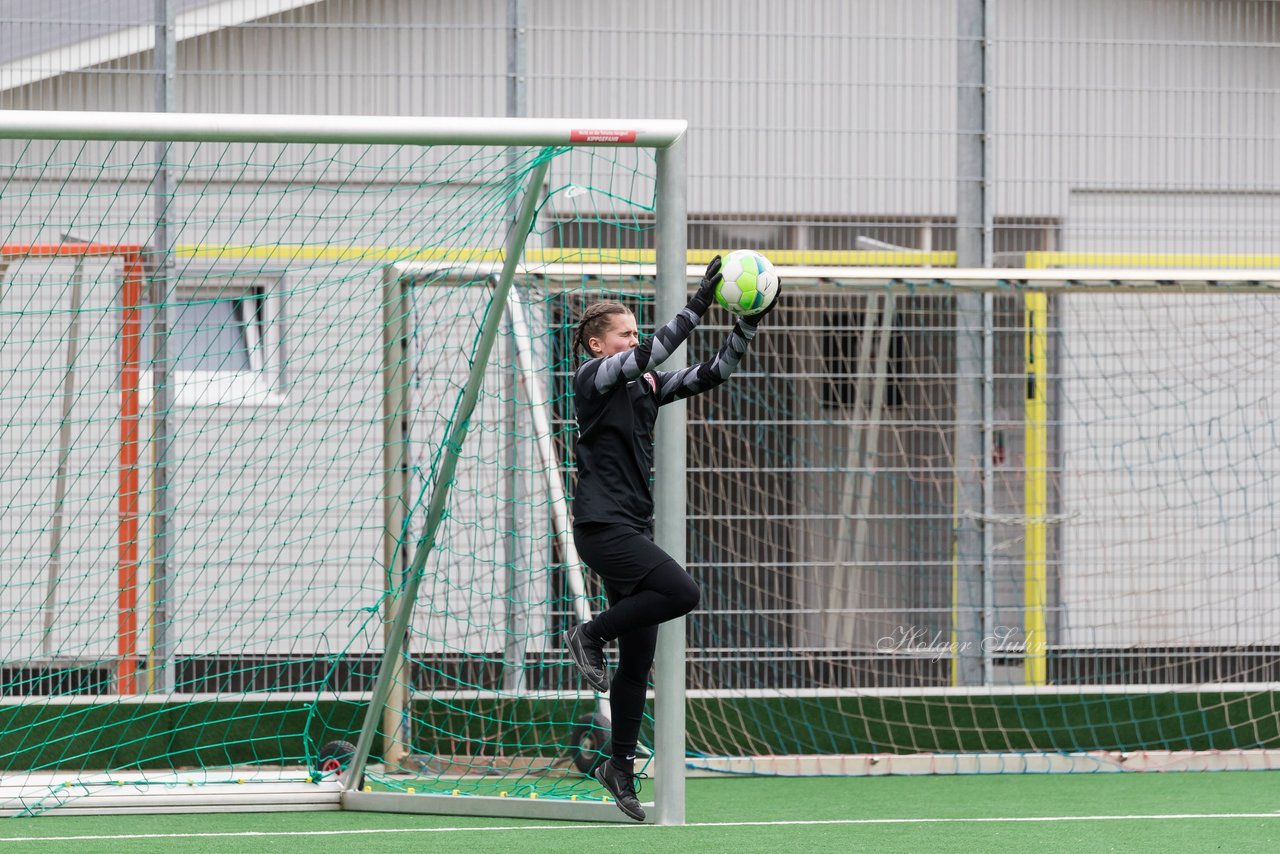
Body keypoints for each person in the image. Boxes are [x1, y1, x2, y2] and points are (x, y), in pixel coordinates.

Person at [562, 255, 779, 821]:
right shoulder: (594, 379)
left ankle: (619, 770)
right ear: (596, 346)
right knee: (682, 591)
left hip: (629, 526)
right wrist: (700, 301)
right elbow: (654, 352)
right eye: (626, 334)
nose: (635, 341)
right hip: (601, 527)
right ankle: (586, 635)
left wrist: (746, 325)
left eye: (636, 331)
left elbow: (712, 374)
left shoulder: (646, 386)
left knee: (637, 665)